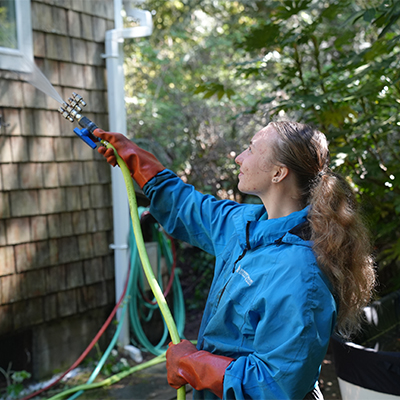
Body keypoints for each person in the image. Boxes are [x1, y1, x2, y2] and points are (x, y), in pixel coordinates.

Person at [96, 121, 376, 400]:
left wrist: (194, 364)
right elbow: (187, 207)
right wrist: (136, 161)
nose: (239, 156)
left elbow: (275, 385)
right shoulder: (248, 224)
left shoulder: (301, 274)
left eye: (252, 149)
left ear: (278, 173)